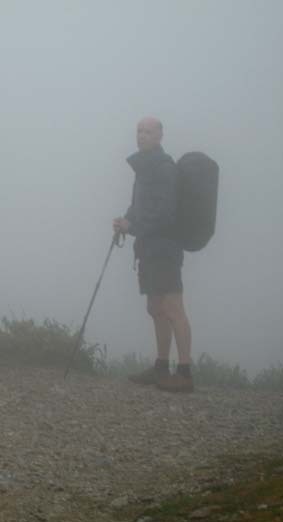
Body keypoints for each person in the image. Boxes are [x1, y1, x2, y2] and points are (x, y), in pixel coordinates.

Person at [113, 117, 193, 392]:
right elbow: (139, 206)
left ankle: (184, 372)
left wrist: (132, 226)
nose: (142, 135)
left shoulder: (164, 168)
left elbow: (165, 212)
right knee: (155, 308)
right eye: (139, 131)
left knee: (173, 308)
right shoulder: (144, 169)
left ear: (160, 136)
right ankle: (161, 367)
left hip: (166, 247)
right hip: (149, 247)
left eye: (148, 131)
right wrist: (125, 220)